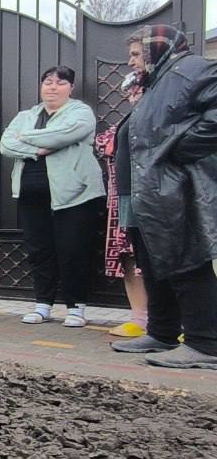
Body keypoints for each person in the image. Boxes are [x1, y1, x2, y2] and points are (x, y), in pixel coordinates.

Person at [110, 25, 217, 369]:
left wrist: (180, 150)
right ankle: (162, 332)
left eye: (137, 54)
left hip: (175, 187)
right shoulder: (159, 80)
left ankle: (206, 343)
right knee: (154, 263)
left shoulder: (192, 69)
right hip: (147, 190)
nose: (132, 62)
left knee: (187, 260)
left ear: (159, 49)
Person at [0, 66, 105, 327]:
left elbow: (67, 134)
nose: (52, 87)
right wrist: (39, 148)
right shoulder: (26, 115)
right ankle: (43, 304)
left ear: (70, 87)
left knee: (73, 250)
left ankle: (76, 307)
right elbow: (5, 144)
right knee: (39, 251)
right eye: (47, 82)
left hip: (75, 195)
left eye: (60, 83)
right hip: (31, 193)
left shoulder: (80, 112)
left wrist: (25, 139)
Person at [94, 76, 148, 337]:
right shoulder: (123, 124)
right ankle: (139, 318)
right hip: (121, 202)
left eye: (141, 90)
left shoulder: (164, 120)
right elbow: (104, 143)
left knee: (156, 260)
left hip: (156, 203)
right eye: (132, 91)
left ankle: (176, 322)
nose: (135, 95)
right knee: (129, 258)